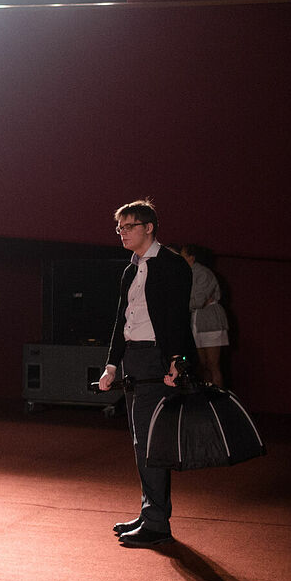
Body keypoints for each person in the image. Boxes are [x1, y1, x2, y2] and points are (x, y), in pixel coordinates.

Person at [98, 200, 196, 548]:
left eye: (128, 226)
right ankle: (149, 513)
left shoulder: (172, 265)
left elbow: (177, 318)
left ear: (149, 227)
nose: (122, 233)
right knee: (141, 440)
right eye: (119, 228)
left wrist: (176, 360)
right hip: (133, 359)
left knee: (151, 441)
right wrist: (111, 365)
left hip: (156, 359)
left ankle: (157, 523)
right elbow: (121, 320)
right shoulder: (130, 270)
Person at [180, 244, 230, 386]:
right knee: (202, 365)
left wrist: (180, 304)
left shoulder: (203, 273)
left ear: (191, 257)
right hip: (197, 322)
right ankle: (207, 394)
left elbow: (199, 301)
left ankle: (217, 395)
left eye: (183, 255)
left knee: (213, 364)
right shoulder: (187, 272)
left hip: (210, 321)